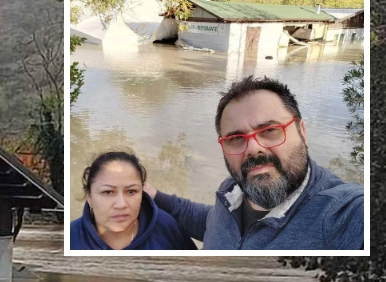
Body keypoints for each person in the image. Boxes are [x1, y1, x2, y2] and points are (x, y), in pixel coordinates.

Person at [143, 76, 364, 250]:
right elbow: (213, 224)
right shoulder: (232, 190)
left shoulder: (343, 214)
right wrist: (154, 196)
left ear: (302, 132)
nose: (253, 148)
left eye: (269, 131)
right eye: (235, 139)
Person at [70, 151, 197, 251]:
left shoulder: (166, 228)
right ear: (89, 197)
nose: (121, 204)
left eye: (131, 192)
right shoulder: (71, 239)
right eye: (107, 192)